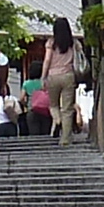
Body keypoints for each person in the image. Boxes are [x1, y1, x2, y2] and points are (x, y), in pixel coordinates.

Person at [42, 19, 80, 147]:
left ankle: (57, 119)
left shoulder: (51, 43)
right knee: (67, 109)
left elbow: (47, 60)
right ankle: (65, 139)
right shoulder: (73, 43)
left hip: (53, 76)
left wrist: (43, 76)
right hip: (68, 76)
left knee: (53, 105)